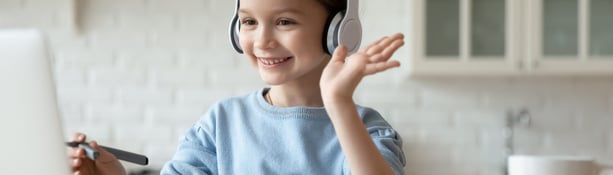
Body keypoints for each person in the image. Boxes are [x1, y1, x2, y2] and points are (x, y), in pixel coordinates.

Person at [68, 0, 406, 174]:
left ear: (339, 29)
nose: (262, 40)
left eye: (284, 21)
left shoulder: (367, 130)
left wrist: (339, 103)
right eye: (249, 22)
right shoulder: (220, 124)